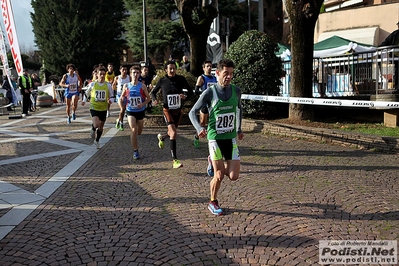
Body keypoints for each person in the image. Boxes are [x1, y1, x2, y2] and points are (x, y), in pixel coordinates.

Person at [188, 58, 244, 216]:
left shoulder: (236, 91)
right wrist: (199, 128)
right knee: (219, 175)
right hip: (215, 138)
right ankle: (213, 201)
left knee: (233, 176)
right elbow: (192, 112)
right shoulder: (209, 93)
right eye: (226, 73)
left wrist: (239, 129)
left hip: (230, 138)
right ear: (217, 73)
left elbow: (239, 109)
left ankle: (211, 162)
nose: (229, 77)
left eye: (231, 74)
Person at [151, 60, 193, 169]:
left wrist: (185, 96)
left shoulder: (181, 79)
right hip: (167, 110)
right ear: (166, 70)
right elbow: (153, 92)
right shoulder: (162, 80)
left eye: (174, 68)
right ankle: (175, 160)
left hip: (178, 110)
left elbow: (190, 92)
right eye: (170, 68)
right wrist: (154, 100)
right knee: (174, 133)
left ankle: (162, 137)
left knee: (171, 133)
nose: (172, 70)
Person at [120, 66, 151, 159]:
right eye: (134, 73)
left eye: (137, 73)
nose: (135, 75)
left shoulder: (142, 86)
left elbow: (148, 98)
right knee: (133, 130)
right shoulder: (126, 86)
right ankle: (135, 151)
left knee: (139, 132)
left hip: (140, 111)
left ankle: (135, 140)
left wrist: (142, 104)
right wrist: (122, 101)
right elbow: (122, 96)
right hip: (130, 111)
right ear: (130, 74)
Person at [82, 66, 114, 149]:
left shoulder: (108, 85)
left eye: (104, 74)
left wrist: (111, 100)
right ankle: (93, 129)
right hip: (94, 107)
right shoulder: (92, 84)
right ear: (97, 74)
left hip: (103, 108)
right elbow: (87, 93)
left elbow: (112, 96)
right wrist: (84, 100)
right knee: (96, 124)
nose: (102, 76)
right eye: (101, 74)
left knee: (101, 127)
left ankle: (97, 140)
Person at [193, 60, 218, 148]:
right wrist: (204, 94)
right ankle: (196, 137)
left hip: (213, 104)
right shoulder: (202, 78)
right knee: (202, 124)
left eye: (210, 66)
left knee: (214, 122)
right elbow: (196, 91)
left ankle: (213, 140)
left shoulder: (215, 78)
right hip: (204, 104)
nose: (209, 68)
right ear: (203, 68)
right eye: (207, 66)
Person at [379, 22, 399, 92]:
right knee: (397, 72)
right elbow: (386, 42)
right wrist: (379, 48)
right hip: (396, 57)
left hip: (396, 56)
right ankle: (397, 87)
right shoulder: (395, 34)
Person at [113, 64, 131, 131]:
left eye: (125, 70)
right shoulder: (117, 78)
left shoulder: (129, 77)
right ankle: (121, 123)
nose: (124, 71)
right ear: (120, 70)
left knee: (123, 110)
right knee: (122, 109)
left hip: (126, 95)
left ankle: (118, 120)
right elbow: (113, 86)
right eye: (123, 70)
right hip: (119, 95)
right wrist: (115, 89)